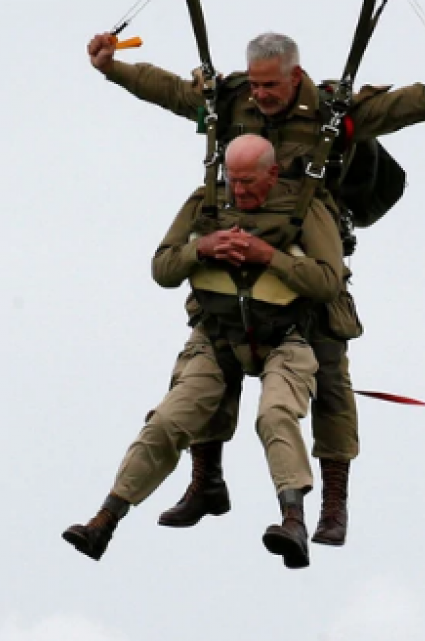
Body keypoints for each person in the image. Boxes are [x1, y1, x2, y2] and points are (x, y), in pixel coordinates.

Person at [84, 30, 425, 545]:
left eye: (270, 85)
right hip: (236, 251)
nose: (260, 94)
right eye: (255, 83)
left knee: (331, 379)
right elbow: (175, 93)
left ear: (295, 76)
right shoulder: (232, 101)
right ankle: (206, 483)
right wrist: (112, 68)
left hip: (308, 250)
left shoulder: (331, 112)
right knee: (212, 350)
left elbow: (394, 109)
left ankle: (333, 504)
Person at [63, 135, 346, 569]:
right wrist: (203, 248)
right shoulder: (204, 203)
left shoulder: (305, 208)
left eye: (249, 182)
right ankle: (104, 520)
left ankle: (294, 521)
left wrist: (268, 256)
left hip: (287, 338)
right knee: (167, 421)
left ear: (272, 174)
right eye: (233, 181)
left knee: (274, 415)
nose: (240, 192)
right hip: (217, 337)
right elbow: (163, 268)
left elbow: (328, 282)